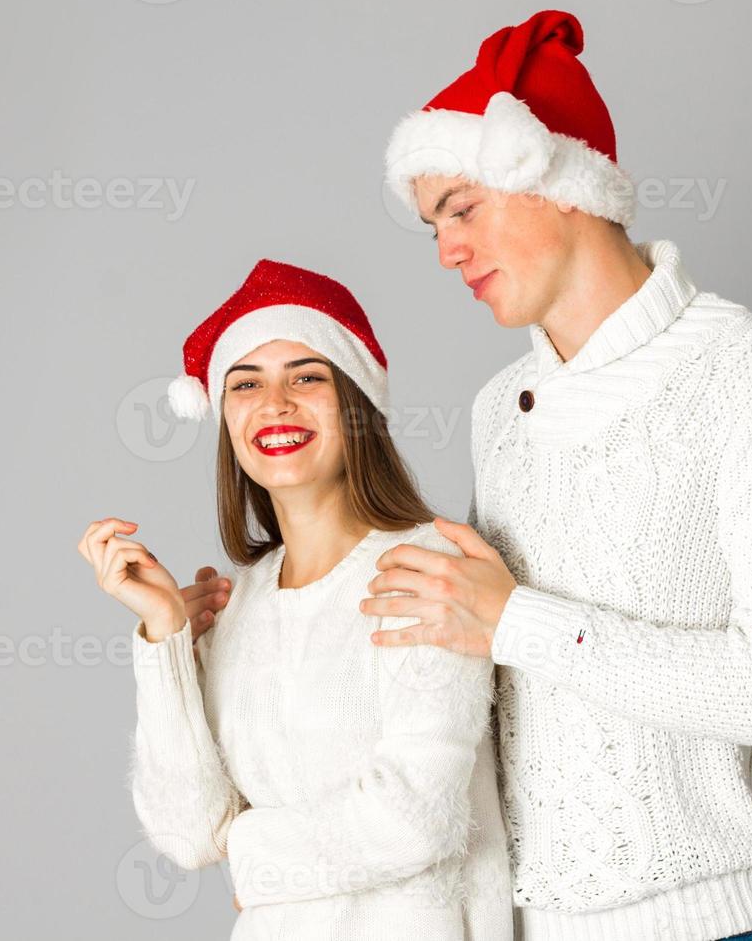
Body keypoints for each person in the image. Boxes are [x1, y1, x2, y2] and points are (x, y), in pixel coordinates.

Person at [356, 10, 752, 941]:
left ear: (558, 180)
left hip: (703, 927)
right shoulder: (499, 411)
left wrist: (516, 618)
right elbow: (485, 677)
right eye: (432, 226)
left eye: (462, 209)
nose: (446, 251)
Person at [77, 259, 513, 941]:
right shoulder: (237, 604)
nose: (274, 404)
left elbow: (413, 818)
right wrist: (165, 641)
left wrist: (249, 853)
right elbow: (191, 832)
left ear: (357, 404)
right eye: (245, 384)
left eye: (307, 377)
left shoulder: (427, 569)